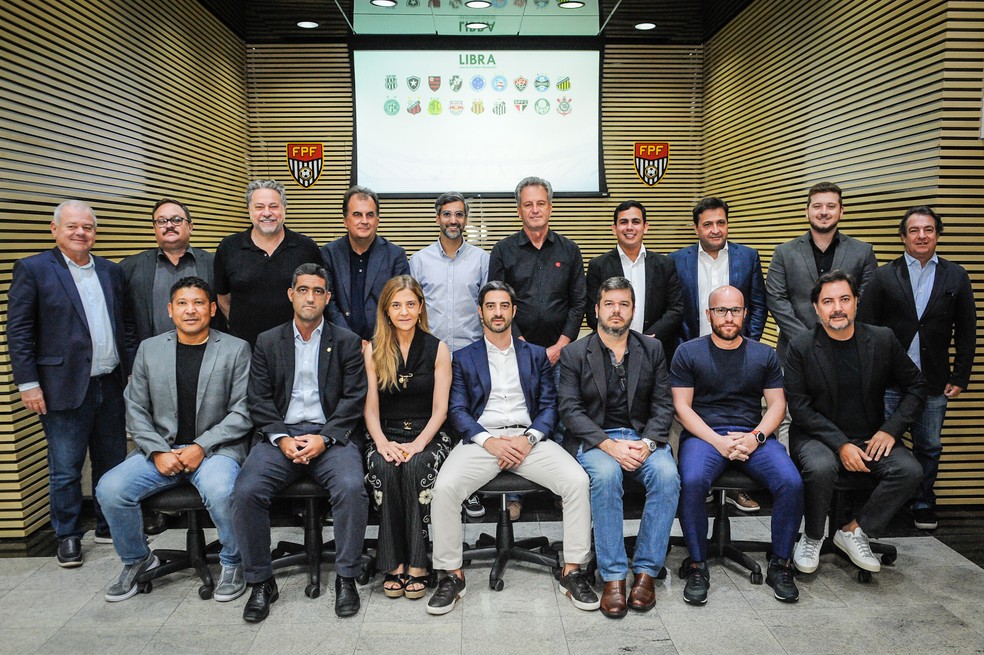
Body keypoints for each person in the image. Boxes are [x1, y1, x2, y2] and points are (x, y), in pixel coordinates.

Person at [426, 281, 597, 615]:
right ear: (480, 312)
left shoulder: (535, 355)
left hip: (528, 439)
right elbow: (458, 411)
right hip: (482, 441)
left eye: (504, 305)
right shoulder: (462, 357)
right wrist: (489, 441)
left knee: (577, 481)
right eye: (491, 306)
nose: (498, 312)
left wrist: (528, 438)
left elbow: (550, 406)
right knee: (444, 488)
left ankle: (573, 571)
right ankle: (451, 575)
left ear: (514, 311)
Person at [96, 277, 251, 602]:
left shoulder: (236, 349)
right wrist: (155, 450)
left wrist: (201, 446)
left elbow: (243, 412)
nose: (190, 310)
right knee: (109, 489)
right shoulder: (149, 350)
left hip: (216, 450)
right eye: (182, 303)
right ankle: (137, 559)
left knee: (223, 491)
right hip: (160, 450)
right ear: (170, 310)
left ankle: (233, 561)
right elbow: (135, 408)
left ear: (211, 309)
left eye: (198, 303)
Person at [232, 263, 369, 622]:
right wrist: (280, 438)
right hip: (281, 436)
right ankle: (261, 581)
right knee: (246, 491)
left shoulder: (346, 341)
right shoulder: (267, 341)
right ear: (291, 294)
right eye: (304, 290)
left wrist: (324, 438)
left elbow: (353, 399)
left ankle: (347, 577)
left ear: (328, 298)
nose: (310, 297)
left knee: (353, 488)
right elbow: (258, 399)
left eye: (318, 291)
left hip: (331, 437)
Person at [7, 200, 131, 566]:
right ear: (54, 229)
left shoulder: (110, 271)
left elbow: (124, 325)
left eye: (88, 227)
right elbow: (19, 331)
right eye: (73, 226)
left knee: (112, 461)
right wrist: (28, 383)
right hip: (61, 385)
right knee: (65, 466)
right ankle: (68, 534)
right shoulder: (33, 270)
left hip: (109, 383)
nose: (81, 233)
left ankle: (108, 525)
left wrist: (129, 373)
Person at [670, 285, 803, 605]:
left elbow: (776, 406)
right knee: (690, 481)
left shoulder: (764, 354)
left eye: (735, 310)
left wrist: (755, 438)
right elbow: (682, 408)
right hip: (705, 436)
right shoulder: (688, 352)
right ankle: (698, 565)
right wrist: (718, 441)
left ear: (745, 314)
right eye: (720, 310)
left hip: (752, 435)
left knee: (791, 482)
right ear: (708, 314)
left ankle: (780, 564)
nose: (728, 317)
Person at [786, 271, 925, 575]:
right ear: (816, 308)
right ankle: (812, 535)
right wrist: (841, 444)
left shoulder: (882, 339)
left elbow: (917, 387)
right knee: (821, 467)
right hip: (816, 436)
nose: (837, 308)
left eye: (844, 299)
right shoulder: (801, 346)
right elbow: (800, 408)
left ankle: (853, 530)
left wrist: (891, 430)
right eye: (828, 301)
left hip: (869, 434)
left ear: (856, 302)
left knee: (909, 470)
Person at [558, 276, 680, 619]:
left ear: (633, 311)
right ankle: (613, 577)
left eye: (623, 304)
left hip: (643, 437)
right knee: (608, 477)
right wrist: (610, 445)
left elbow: (663, 406)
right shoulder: (575, 353)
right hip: (596, 439)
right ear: (596, 309)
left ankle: (645, 573)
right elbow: (570, 410)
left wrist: (645, 443)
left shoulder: (652, 349)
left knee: (667, 476)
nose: (616, 310)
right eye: (609, 303)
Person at [858, 207, 976, 530]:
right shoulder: (883, 276)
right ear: (903, 236)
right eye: (914, 230)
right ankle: (882, 503)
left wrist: (960, 375)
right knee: (882, 443)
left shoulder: (956, 276)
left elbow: (967, 330)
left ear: (937, 234)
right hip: (889, 381)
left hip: (934, 381)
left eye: (928, 229)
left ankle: (923, 501)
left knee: (929, 446)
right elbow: (865, 329)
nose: (921, 236)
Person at [488, 176, 586, 518]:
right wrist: (521, 343)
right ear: (519, 211)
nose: (534, 209)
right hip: (515, 352)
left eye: (540, 203)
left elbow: (578, 303)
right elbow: (496, 299)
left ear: (550, 207)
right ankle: (514, 494)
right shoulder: (503, 250)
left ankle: (560, 487)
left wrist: (561, 343)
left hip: (562, 353)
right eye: (528, 204)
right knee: (518, 417)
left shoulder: (569, 250)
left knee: (559, 416)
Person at [670, 196, 769, 513]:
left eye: (721, 222)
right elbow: (676, 309)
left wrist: (745, 346)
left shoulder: (747, 257)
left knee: (738, 417)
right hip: (693, 357)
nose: (715, 229)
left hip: (736, 353)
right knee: (696, 420)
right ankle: (705, 482)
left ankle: (737, 487)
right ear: (696, 227)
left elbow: (758, 304)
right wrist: (687, 348)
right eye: (708, 223)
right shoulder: (677, 260)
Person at [364, 275, 453, 600]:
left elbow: (441, 409)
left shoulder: (437, 348)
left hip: (428, 433)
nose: (404, 311)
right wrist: (383, 444)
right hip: (384, 432)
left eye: (410, 304)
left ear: (420, 309)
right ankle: (392, 562)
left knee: (416, 467)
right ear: (386, 310)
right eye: (396, 305)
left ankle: (418, 562)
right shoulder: (373, 350)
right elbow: (370, 410)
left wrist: (418, 444)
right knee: (385, 468)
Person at [409, 191, 490, 518]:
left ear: (466, 219)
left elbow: (489, 308)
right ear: (437, 218)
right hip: (432, 355)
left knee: (469, 423)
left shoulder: (482, 260)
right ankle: (433, 485)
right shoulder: (419, 260)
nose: (453, 220)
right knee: (435, 421)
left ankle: (469, 489)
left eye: (459, 214)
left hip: (471, 354)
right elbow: (411, 308)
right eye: (447, 214)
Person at [766, 182, 877, 361]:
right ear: (807, 211)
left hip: (848, 351)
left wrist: (839, 336)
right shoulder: (784, 253)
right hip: (795, 352)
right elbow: (776, 299)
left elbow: (866, 301)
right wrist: (806, 341)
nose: (823, 212)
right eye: (817, 206)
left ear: (841, 211)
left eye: (831, 206)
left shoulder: (863, 252)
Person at [213, 179, 322, 347]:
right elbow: (223, 298)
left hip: (297, 346)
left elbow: (318, 296)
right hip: (244, 348)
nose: (267, 213)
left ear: (284, 209)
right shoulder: (229, 247)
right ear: (249, 210)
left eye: (273, 206)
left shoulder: (307, 248)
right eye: (259, 207)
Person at [585, 200, 683, 359]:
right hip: (609, 352)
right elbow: (592, 313)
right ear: (614, 229)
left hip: (655, 350)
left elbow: (676, 309)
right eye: (623, 222)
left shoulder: (664, 264)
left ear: (645, 227)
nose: (629, 227)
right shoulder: (598, 266)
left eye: (636, 222)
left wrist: (648, 339)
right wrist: (620, 338)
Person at [120, 198, 224, 347]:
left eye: (176, 220)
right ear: (154, 228)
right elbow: (125, 322)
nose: (169, 225)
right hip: (152, 358)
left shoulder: (214, 263)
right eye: (161, 221)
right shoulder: (130, 267)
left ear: (191, 227)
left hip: (207, 355)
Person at [321, 186, 410, 345]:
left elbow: (400, 304)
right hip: (339, 344)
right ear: (345, 220)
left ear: (377, 220)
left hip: (385, 347)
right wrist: (352, 341)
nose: (364, 221)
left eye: (370, 215)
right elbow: (328, 303)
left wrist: (376, 343)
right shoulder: (329, 254)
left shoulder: (395, 256)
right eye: (357, 215)